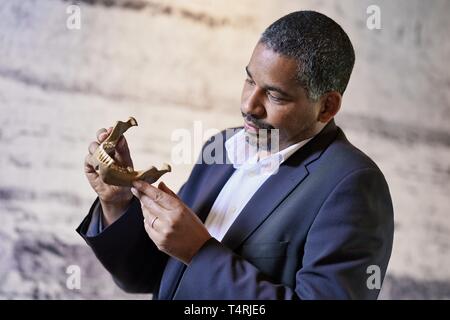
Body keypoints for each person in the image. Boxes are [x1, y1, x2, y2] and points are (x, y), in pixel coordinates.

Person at [78, 11, 394, 299]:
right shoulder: (222, 147)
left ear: (327, 106)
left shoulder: (353, 186)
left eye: (274, 94)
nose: (248, 105)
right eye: (249, 80)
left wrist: (199, 252)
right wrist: (116, 203)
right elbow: (145, 277)